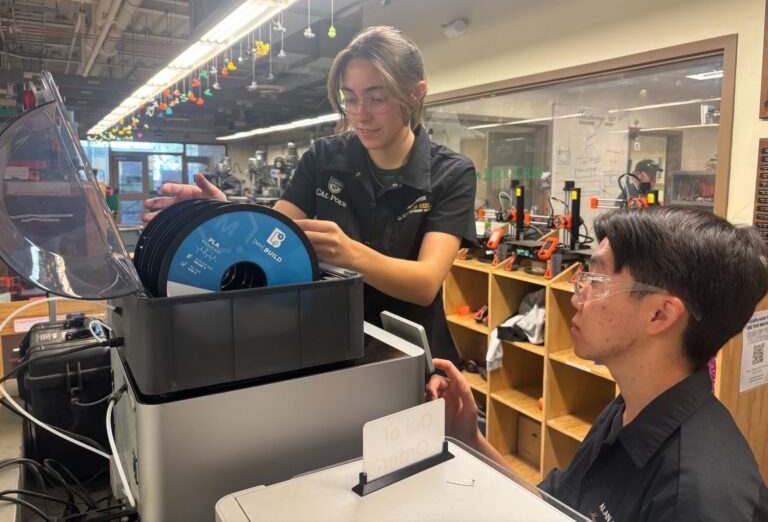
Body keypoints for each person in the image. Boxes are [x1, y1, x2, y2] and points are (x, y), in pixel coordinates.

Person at [141, 26, 477, 362]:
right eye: (350, 98)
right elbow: (274, 234)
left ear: (416, 94)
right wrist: (224, 215)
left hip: (412, 353)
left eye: (377, 98)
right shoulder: (324, 157)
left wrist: (349, 252)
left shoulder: (452, 172)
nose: (360, 114)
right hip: (331, 340)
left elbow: (425, 283)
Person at [427, 206, 768, 521]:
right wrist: (469, 438)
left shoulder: (695, 496)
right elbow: (557, 510)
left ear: (660, 314)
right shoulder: (628, 409)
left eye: (597, 281)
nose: (577, 296)